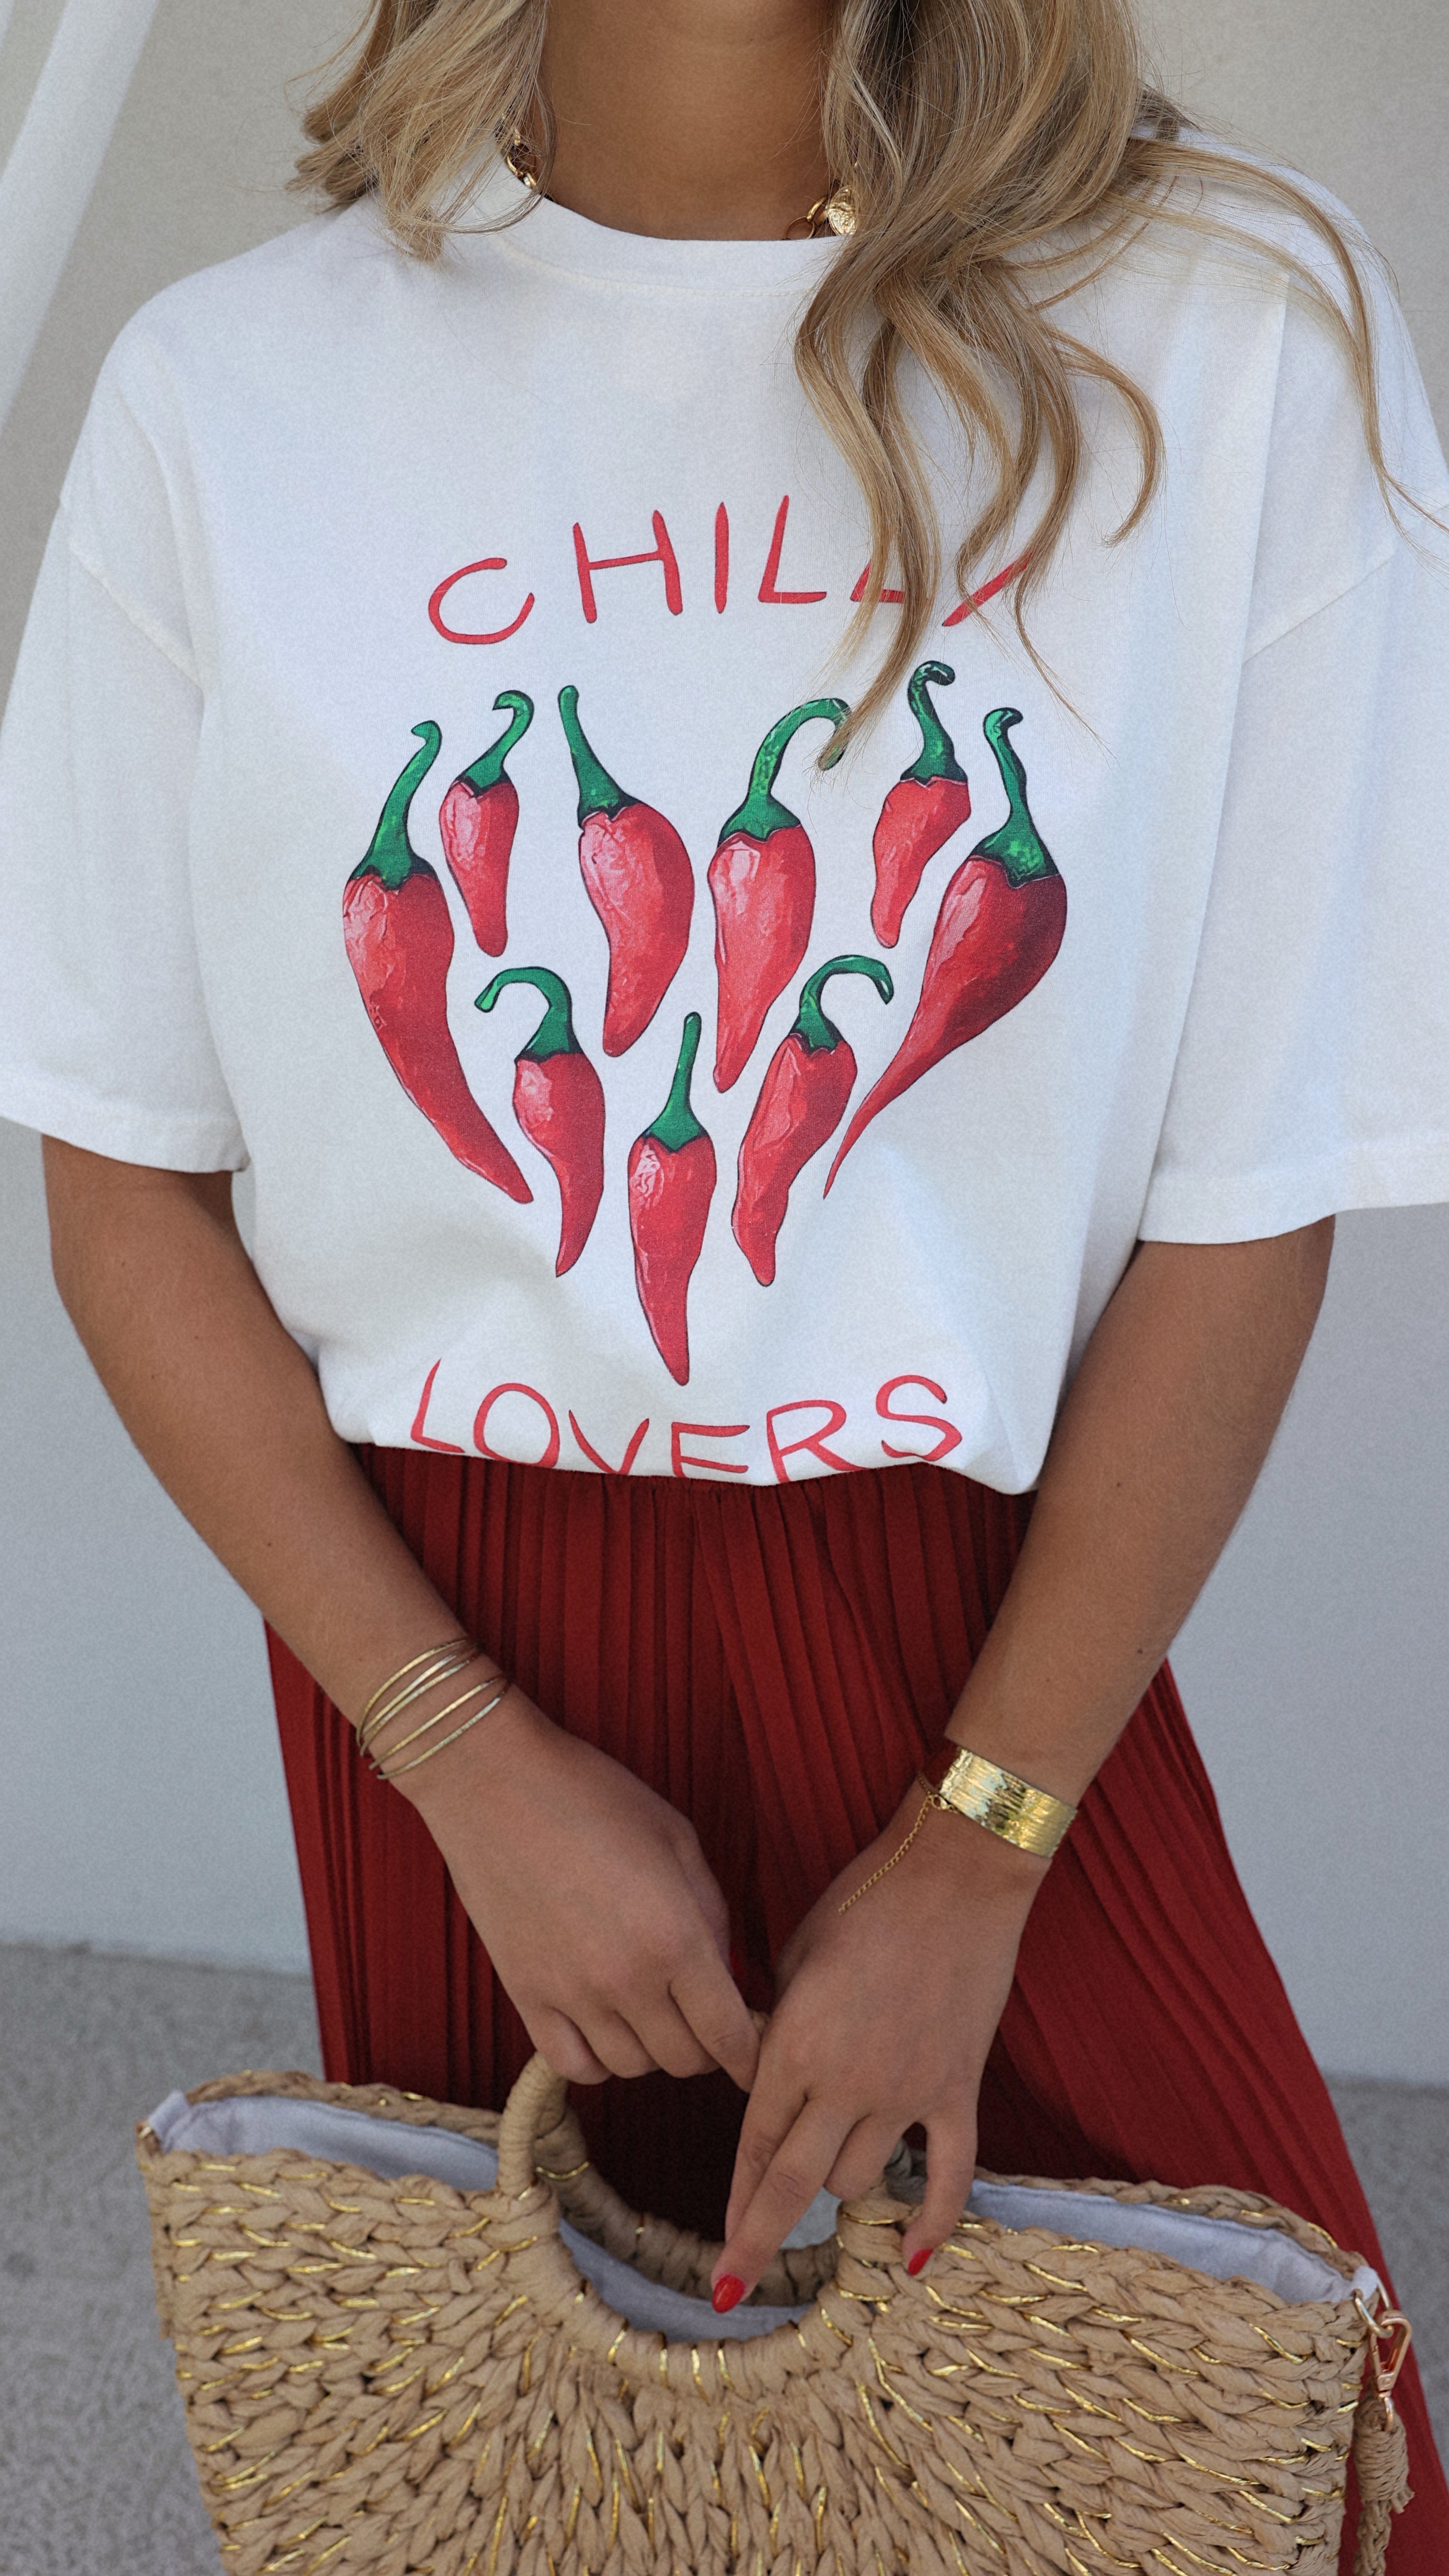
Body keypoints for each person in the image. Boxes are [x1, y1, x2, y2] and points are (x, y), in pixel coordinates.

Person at [1, 0, 1447, 2561]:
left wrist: (981, 1845)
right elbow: (123, 1176)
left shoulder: (1231, 336)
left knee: (1236, 2474)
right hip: (441, 1619)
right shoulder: (231, 391)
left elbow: (1251, 1195)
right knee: (565, 2495)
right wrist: (457, 1748)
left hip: (980, 1623)